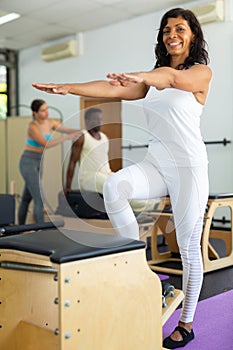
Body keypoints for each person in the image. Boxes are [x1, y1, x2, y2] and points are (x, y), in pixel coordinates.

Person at [32, 7, 212, 348]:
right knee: (116, 185)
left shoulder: (200, 73)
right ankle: (139, 269)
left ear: (192, 35)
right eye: (166, 29)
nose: (172, 34)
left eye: (180, 29)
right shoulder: (151, 81)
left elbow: (171, 79)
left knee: (189, 247)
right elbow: (112, 89)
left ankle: (186, 323)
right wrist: (68, 87)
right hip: (157, 162)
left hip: (189, 166)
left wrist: (141, 76)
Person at [65, 106, 157, 213]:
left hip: (106, 174)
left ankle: (153, 202)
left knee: (127, 182)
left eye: (100, 119)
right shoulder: (81, 137)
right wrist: (67, 187)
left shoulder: (104, 137)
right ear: (87, 121)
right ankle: (151, 207)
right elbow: (72, 162)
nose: (98, 122)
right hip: (90, 177)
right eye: (95, 119)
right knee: (117, 187)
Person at [18, 99, 81, 225]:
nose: (46, 113)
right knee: (39, 198)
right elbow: (45, 143)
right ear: (35, 113)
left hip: (39, 162)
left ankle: (19, 227)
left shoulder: (50, 122)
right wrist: (66, 138)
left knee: (26, 198)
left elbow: (67, 130)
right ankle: (40, 230)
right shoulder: (32, 126)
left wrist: (83, 130)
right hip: (28, 161)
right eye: (42, 110)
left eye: (47, 109)